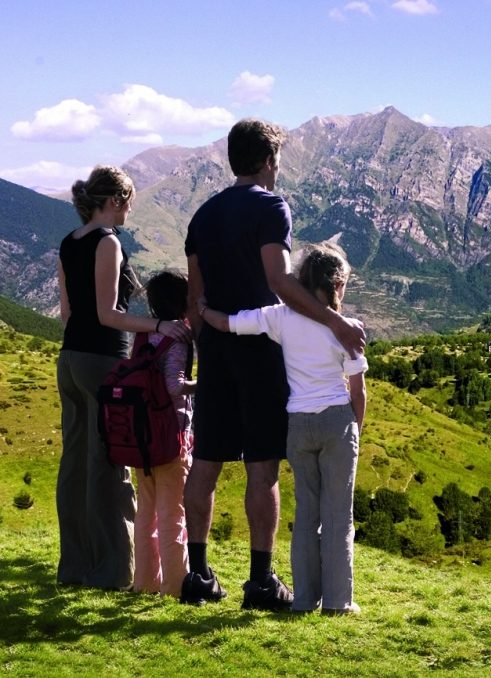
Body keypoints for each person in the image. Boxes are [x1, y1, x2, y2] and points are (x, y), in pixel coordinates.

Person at [181, 119, 366, 609]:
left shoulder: (203, 215)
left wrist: (203, 351)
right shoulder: (270, 206)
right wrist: (335, 323)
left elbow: (195, 298)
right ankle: (260, 582)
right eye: (277, 161)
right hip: (260, 350)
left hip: (215, 347)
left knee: (205, 463)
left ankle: (197, 576)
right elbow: (280, 281)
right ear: (267, 160)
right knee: (261, 468)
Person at [201, 243, 367, 615]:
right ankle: (338, 602)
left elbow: (230, 323)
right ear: (337, 284)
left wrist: (203, 310)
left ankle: (305, 599)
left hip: (298, 425)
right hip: (336, 421)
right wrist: (355, 432)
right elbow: (358, 392)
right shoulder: (347, 329)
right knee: (338, 516)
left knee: (306, 514)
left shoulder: (280, 316)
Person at [56, 166, 191, 590]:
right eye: (129, 201)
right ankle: (112, 570)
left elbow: (67, 313)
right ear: (114, 201)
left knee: (74, 463)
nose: (130, 209)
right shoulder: (108, 242)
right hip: (103, 361)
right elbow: (107, 314)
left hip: (69, 359)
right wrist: (159, 326)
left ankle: (74, 565)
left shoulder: (69, 241)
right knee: (108, 462)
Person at [132, 271, 196, 597]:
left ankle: (144, 581)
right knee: (173, 514)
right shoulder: (179, 338)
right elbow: (174, 386)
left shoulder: (144, 334)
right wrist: (205, 384)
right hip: (171, 435)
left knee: (146, 512)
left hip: (140, 435)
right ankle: (176, 585)